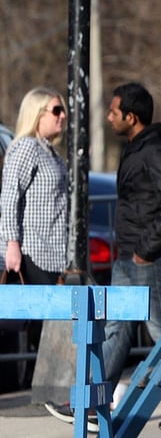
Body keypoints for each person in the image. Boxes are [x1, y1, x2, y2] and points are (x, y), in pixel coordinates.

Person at [45, 82, 161, 431]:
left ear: (131, 117)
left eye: (114, 112)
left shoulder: (156, 152)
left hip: (151, 259)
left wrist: (146, 252)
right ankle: (90, 401)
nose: (108, 117)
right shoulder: (136, 148)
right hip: (128, 257)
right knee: (115, 328)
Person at [0, 87, 68, 388]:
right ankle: (51, 389)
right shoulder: (25, 147)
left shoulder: (48, 149)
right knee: (52, 321)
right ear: (37, 114)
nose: (62, 116)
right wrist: (11, 244)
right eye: (56, 110)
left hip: (55, 252)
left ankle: (53, 388)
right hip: (33, 250)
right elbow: (10, 196)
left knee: (56, 323)